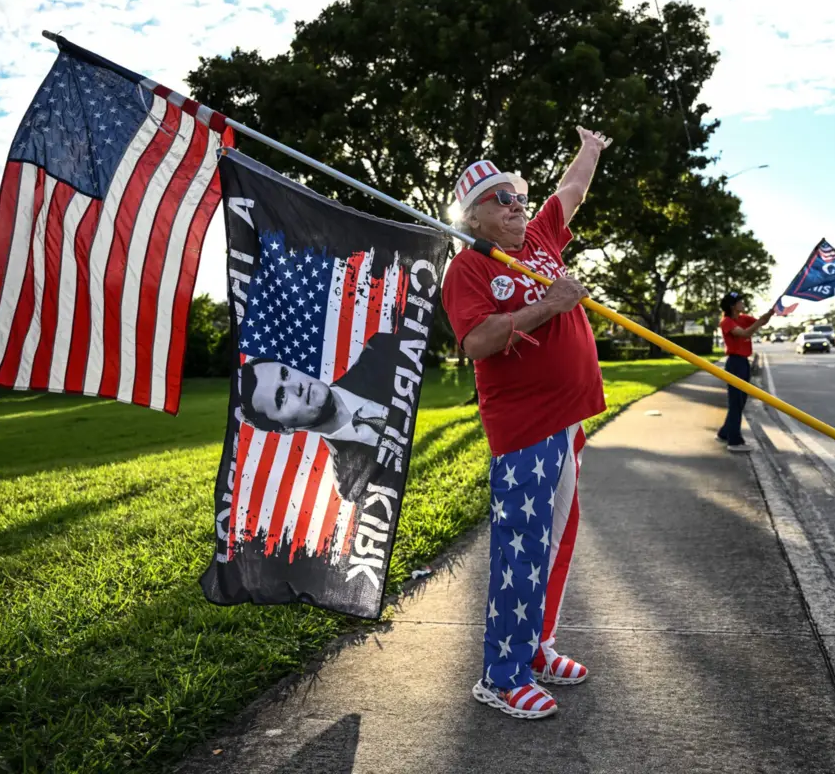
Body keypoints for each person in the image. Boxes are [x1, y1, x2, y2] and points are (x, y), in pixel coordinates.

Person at [441, 126, 612, 720]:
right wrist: (549, 305)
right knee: (523, 548)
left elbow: (571, 190)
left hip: (567, 422)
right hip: (526, 429)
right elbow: (478, 341)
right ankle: (500, 674)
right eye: (500, 200)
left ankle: (536, 647)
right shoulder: (469, 269)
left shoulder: (539, 237)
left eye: (517, 196)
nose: (516, 206)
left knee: (558, 538)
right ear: (474, 217)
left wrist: (589, 150)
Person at [238, 334, 400, 503]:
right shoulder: (350, 482)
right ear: (284, 429)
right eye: (281, 397)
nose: (296, 386)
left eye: (285, 374)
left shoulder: (383, 351)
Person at [717, 292, 773, 452]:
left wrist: (769, 314)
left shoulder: (743, 318)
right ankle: (734, 441)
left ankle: (724, 433)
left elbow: (761, 323)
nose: (742, 303)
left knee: (740, 402)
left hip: (743, 362)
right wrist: (759, 322)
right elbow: (745, 333)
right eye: (739, 301)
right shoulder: (726, 322)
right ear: (732, 306)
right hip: (734, 363)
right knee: (736, 402)